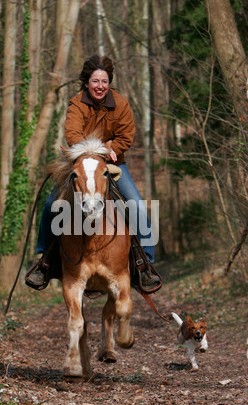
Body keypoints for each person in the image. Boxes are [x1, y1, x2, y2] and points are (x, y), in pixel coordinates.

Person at [27, 55, 159, 288]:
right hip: (80, 163)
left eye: (104, 81)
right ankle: (44, 262)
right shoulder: (76, 103)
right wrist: (94, 152)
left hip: (112, 163)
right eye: (95, 81)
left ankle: (144, 264)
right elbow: (73, 136)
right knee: (51, 205)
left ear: (110, 83)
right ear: (86, 83)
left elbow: (126, 136)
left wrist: (110, 150)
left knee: (137, 205)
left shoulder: (121, 104)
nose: (100, 86)